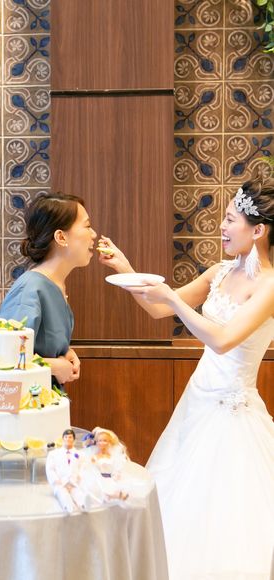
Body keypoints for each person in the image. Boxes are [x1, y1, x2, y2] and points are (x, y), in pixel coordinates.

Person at [100, 178, 274, 580]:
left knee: (223, 514)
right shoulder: (220, 271)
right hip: (196, 402)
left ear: (258, 231)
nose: (222, 227)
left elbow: (223, 340)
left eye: (230, 220)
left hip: (232, 411)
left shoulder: (269, 286)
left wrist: (174, 299)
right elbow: (158, 309)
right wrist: (126, 269)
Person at [0, 193, 97, 388]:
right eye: (87, 226)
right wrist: (53, 366)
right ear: (61, 237)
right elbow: (4, 356)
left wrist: (65, 352)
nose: (93, 234)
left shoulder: (55, 285)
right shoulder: (30, 288)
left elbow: (42, 345)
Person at [45, 428, 104, 512]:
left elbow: (83, 467)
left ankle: (83, 505)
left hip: (74, 481)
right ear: (63, 439)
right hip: (61, 482)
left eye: (70, 437)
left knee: (78, 494)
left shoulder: (80, 454)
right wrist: (55, 480)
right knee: (62, 494)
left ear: (74, 439)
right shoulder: (54, 454)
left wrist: (79, 477)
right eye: (66, 437)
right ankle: (68, 506)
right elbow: (50, 469)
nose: (68, 439)